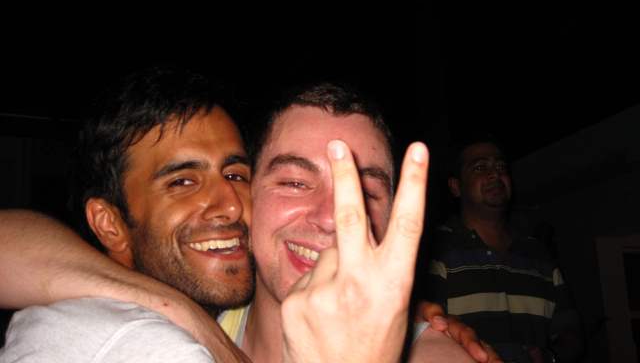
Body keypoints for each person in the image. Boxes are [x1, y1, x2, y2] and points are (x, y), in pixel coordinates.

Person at [0, 70, 494, 362]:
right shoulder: (137, 339)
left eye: (365, 192)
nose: (332, 217)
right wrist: (185, 314)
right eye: (295, 182)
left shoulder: (435, 352)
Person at [426, 135, 584, 362]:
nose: (495, 174)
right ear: (456, 186)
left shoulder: (538, 254)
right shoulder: (436, 250)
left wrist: (550, 356)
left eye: (500, 167)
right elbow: (426, 334)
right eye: (480, 167)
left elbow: (570, 332)